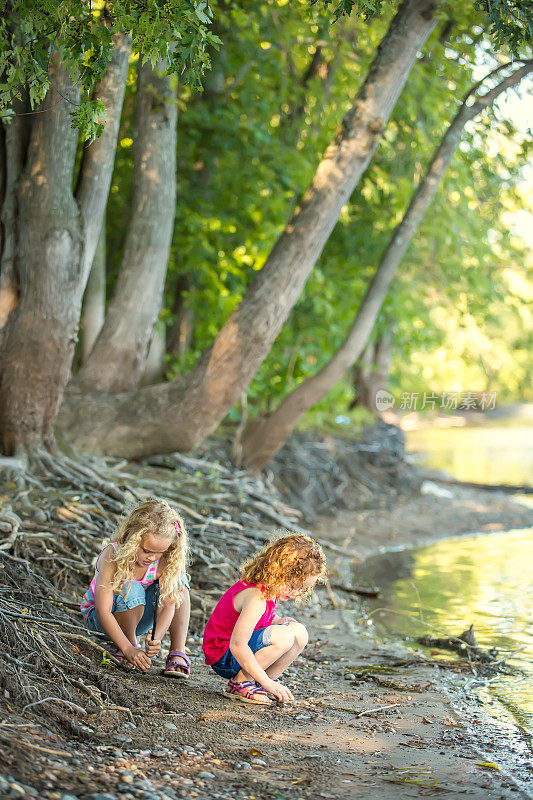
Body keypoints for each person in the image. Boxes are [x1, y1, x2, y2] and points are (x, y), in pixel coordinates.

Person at [203, 533, 327, 705]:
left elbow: (260, 620)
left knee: (299, 632)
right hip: (224, 654)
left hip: (237, 652)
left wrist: (277, 621)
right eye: (293, 586)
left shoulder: (270, 589)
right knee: (284, 636)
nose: (296, 593)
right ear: (275, 571)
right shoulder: (256, 597)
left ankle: (259, 682)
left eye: (301, 588)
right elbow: (237, 644)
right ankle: (241, 682)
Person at [81, 498, 191, 676]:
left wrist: (156, 638)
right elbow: (103, 611)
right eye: (147, 551)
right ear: (132, 538)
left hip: (137, 616)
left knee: (178, 582)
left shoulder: (163, 561)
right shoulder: (113, 555)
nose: (152, 558)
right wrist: (127, 648)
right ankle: (127, 644)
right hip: (102, 621)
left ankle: (177, 651)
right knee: (132, 588)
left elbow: (169, 603)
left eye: (160, 552)